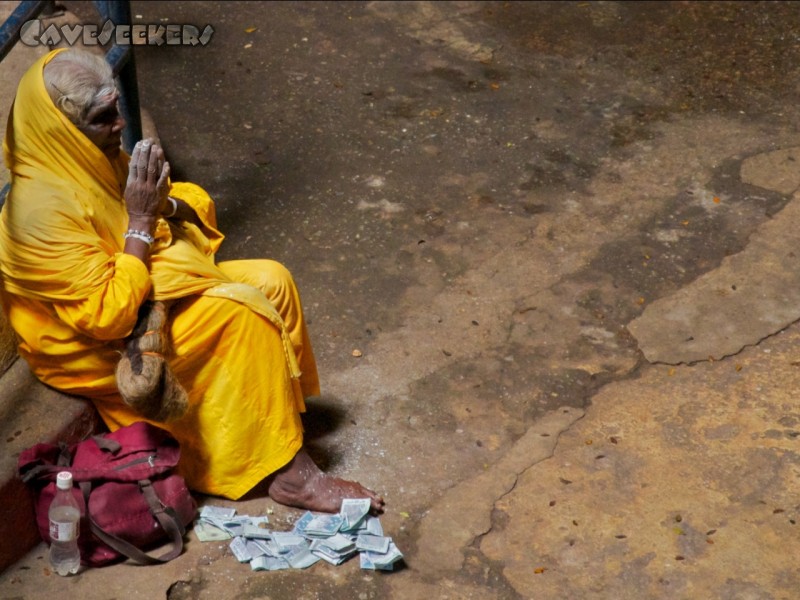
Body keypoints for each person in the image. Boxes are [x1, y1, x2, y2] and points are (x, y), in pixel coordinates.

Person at [0, 48, 384, 514]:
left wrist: (163, 205)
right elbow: (107, 316)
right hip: (87, 342)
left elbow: (163, 211)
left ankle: (275, 430)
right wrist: (140, 219)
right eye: (105, 117)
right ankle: (292, 478)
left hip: (140, 286)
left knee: (271, 280)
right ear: (63, 129)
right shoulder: (37, 213)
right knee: (241, 316)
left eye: (116, 108)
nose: (121, 123)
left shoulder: (85, 154)